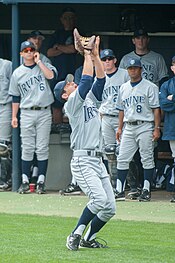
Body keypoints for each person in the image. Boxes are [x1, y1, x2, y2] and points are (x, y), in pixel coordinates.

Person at [54, 36, 116, 250]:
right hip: (82, 160)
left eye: (72, 81)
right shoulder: (71, 104)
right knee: (99, 200)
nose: (72, 83)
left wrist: (96, 55)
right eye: (68, 84)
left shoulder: (88, 99)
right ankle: (75, 234)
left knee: (109, 208)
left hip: (98, 160)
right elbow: (87, 81)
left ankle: (88, 238)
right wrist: (87, 54)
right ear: (64, 94)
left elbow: (100, 81)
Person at [119, 28, 168, 199]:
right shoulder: (125, 61)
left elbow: (163, 82)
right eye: (137, 38)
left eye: (143, 37)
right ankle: (128, 187)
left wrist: (157, 124)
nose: (140, 40)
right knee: (125, 157)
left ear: (147, 39)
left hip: (148, 107)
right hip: (132, 115)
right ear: (133, 40)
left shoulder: (156, 58)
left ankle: (147, 187)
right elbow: (122, 97)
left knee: (148, 156)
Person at [9, 40, 57, 194]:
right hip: (27, 111)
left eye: (32, 49)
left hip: (44, 110)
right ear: (21, 53)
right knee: (28, 148)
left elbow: (51, 76)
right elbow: (15, 97)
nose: (29, 52)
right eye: (26, 50)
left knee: (42, 147)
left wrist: (39, 62)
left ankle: (41, 181)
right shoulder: (17, 73)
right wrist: (14, 116)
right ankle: (25, 181)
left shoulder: (44, 64)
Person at [115, 58, 161, 202]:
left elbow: (156, 109)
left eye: (135, 68)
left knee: (146, 158)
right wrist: (120, 127)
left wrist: (156, 128)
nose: (132, 70)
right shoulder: (123, 87)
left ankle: (146, 190)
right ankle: (119, 191)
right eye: (130, 68)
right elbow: (121, 109)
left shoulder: (150, 86)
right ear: (127, 70)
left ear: (141, 69)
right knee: (122, 158)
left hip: (145, 125)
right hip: (129, 126)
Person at [99, 48, 129, 190]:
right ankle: (114, 183)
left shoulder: (124, 74)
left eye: (109, 59)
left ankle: (130, 184)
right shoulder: (99, 76)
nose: (107, 62)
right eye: (104, 59)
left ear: (115, 60)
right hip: (105, 117)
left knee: (123, 152)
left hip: (121, 117)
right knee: (109, 151)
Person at [47, 7, 77, 125]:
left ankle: (72, 128)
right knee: (57, 104)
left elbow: (74, 49)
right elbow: (49, 52)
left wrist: (58, 47)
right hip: (58, 73)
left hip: (75, 74)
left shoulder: (78, 32)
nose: (68, 20)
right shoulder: (57, 34)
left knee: (75, 103)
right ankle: (58, 128)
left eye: (71, 18)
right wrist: (66, 49)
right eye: (66, 18)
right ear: (61, 19)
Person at [159, 55, 175, 203]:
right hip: (172, 128)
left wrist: (173, 98)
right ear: (172, 68)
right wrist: (168, 99)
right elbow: (164, 105)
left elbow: (170, 102)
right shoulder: (167, 85)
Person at [0, 58, 12, 190]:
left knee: (3, 146)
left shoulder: (6, 65)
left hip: (4, 106)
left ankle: (4, 180)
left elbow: (14, 87)